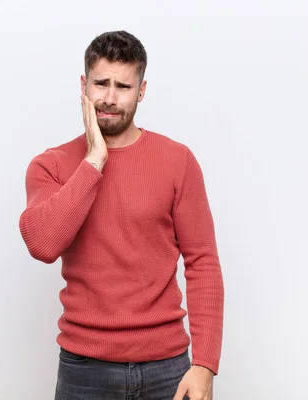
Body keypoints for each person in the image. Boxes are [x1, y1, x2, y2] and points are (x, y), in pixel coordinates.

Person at [19, 30, 224, 400]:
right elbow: (44, 244)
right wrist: (95, 159)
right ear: (84, 85)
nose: (110, 98)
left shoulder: (177, 161)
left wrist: (205, 364)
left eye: (123, 87)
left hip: (168, 368)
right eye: (100, 84)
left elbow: (203, 261)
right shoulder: (50, 166)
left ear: (141, 91)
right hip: (84, 370)